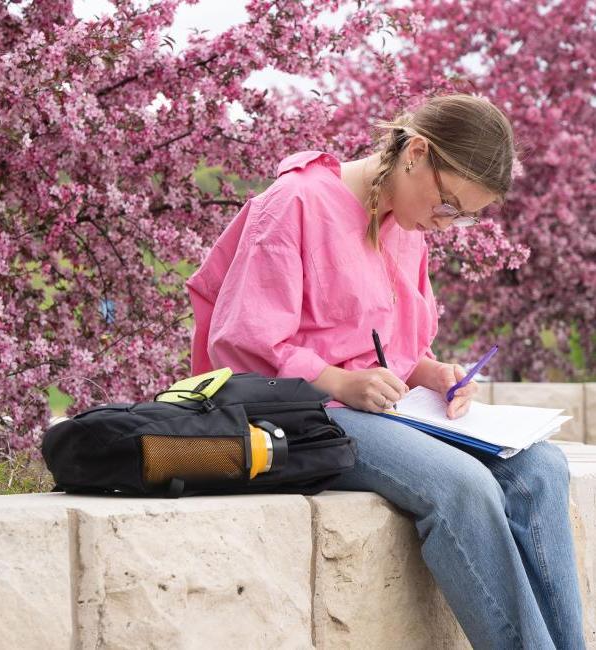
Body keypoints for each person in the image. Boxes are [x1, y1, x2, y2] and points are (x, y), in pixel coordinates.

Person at [185, 93, 586, 649]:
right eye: (449, 204)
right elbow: (242, 341)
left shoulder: (406, 226)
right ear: (416, 152)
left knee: (540, 465)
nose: (449, 224)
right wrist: (340, 382)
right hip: (298, 412)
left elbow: (387, 349)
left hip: (382, 412)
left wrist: (432, 374)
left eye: (465, 215)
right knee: (462, 484)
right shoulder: (296, 202)